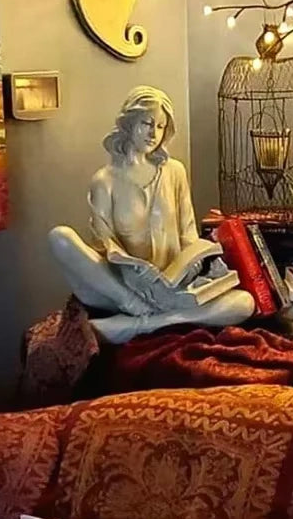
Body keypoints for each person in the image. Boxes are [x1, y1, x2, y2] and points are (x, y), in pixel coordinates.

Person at [48, 86, 253, 342]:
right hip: (124, 288)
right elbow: (105, 247)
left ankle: (146, 324)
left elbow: (189, 236)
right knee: (60, 237)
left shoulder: (174, 172)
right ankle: (137, 311)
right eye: (147, 123)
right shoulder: (105, 181)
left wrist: (196, 266)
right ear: (129, 122)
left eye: (160, 126)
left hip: (173, 287)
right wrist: (133, 276)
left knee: (245, 303)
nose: (153, 133)